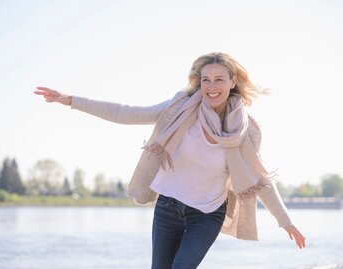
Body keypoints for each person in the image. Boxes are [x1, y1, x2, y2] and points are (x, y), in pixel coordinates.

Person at [34, 52, 306, 269]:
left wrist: (287, 222)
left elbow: (260, 179)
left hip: (208, 214)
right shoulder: (180, 107)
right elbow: (128, 113)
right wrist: (72, 100)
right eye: (205, 79)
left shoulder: (248, 129)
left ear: (233, 81)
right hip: (168, 207)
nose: (211, 87)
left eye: (219, 79)